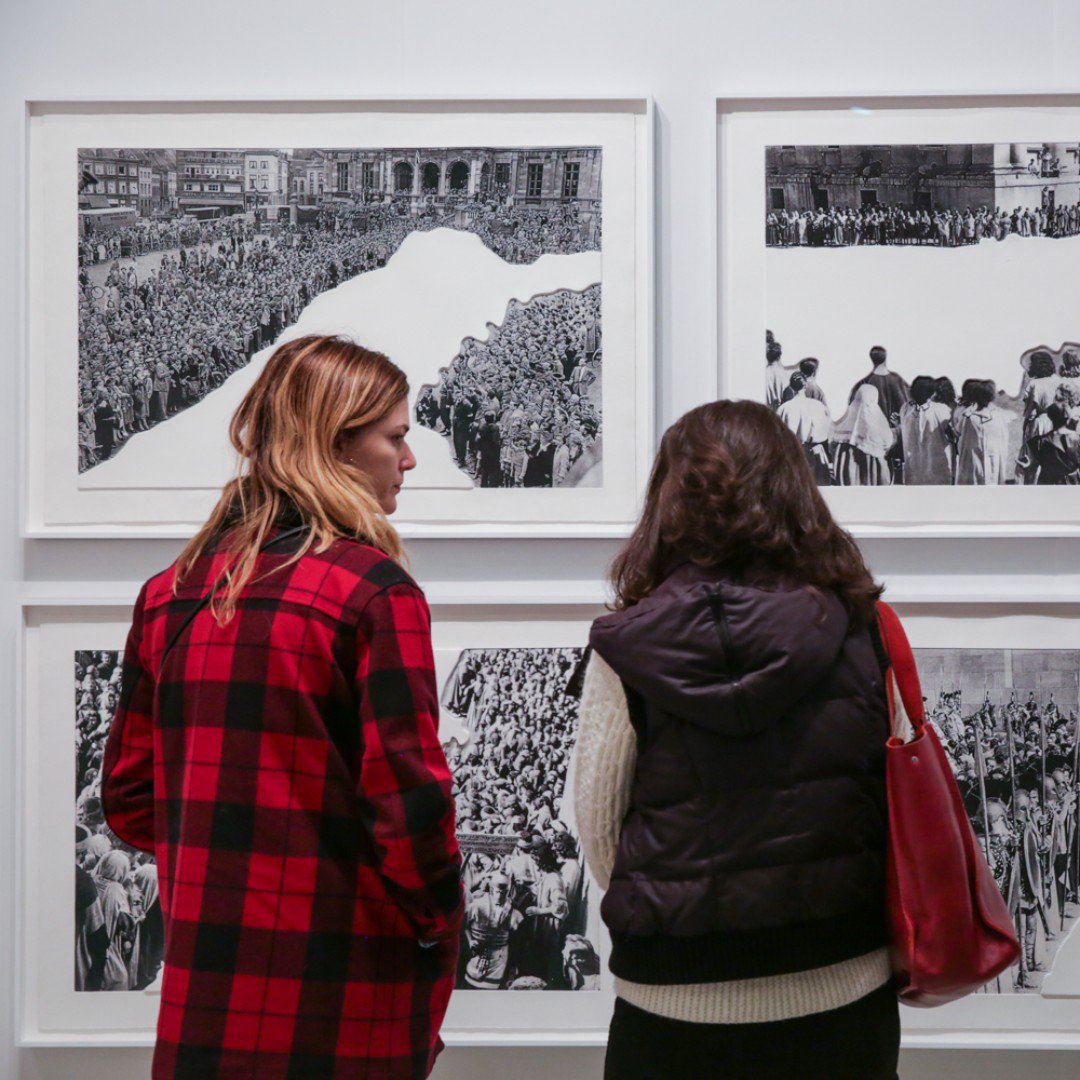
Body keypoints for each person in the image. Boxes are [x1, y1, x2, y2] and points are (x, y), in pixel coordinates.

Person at [101, 335, 464, 1079]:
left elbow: (130, 803)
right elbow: (410, 810)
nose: (410, 456)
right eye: (396, 436)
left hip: (206, 993)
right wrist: (441, 925)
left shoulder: (170, 592)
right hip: (340, 989)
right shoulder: (373, 591)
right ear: (334, 443)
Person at [574, 400, 898, 1080]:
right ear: (794, 490)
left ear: (668, 500)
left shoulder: (627, 644)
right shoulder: (860, 625)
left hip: (672, 990)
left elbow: (600, 825)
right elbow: (890, 792)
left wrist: (673, 903)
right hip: (838, 976)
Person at [832, 384, 895, 485]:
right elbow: (887, 441)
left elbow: (835, 435)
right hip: (872, 464)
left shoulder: (848, 416)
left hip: (849, 463)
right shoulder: (877, 418)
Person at [898, 374, 956, 484]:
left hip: (913, 469)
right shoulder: (942, 410)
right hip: (937, 470)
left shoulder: (905, 409)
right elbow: (953, 435)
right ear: (932, 393)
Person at [955, 380, 1011, 485]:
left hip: (972, 460)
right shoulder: (999, 415)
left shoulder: (967, 417)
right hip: (993, 457)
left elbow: (957, 432)